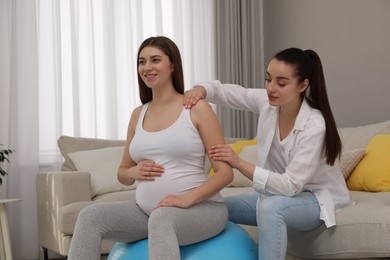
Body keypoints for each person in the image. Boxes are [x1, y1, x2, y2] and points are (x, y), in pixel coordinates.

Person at [67, 36, 233, 260]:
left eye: (155, 60)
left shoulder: (197, 108)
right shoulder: (138, 114)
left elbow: (225, 173)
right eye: (141, 62)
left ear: (172, 65)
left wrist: (186, 199)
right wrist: (133, 172)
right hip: (147, 212)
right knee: (89, 216)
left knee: (162, 219)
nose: (147, 67)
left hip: (201, 209)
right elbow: (123, 173)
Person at [183, 47, 352, 260]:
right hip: (278, 195)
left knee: (271, 207)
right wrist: (201, 90)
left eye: (281, 83)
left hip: (314, 199)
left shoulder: (314, 125)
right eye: (268, 79)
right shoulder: (268, 103)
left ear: (303, 85)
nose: (271, 88)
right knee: (214, 206)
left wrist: (238, 162)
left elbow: (291, 186)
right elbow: (234, 93)